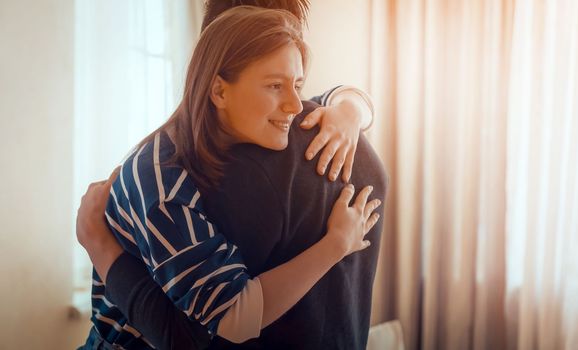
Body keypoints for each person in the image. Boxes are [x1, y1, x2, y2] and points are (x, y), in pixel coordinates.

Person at [77, 6, 384, 349]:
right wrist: (336, 244)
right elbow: (234, 315)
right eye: (275, 86)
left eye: (297, 84)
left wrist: (349, 109)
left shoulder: (244, 126)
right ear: (219, 92)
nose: (297, 107)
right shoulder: (162, 184)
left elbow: (323, 99)